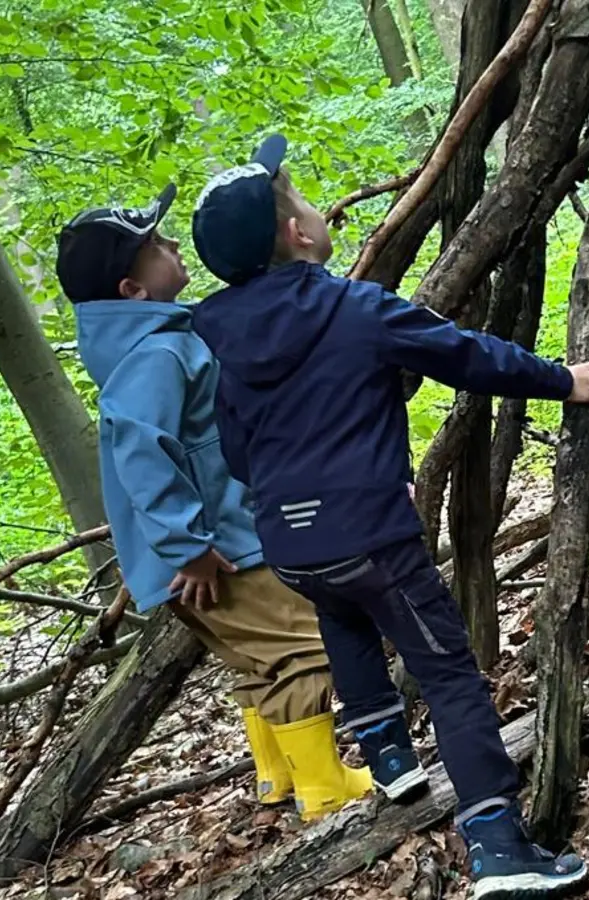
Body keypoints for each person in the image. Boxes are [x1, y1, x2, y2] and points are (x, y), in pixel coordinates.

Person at [190, 135, 589, 899]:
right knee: (447, 673)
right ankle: (498, 845)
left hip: (289, 539)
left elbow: (239, 455)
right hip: (370, 534)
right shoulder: (358, 310)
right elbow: (465, 354)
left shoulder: (227, 344)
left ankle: (389, 755)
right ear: (296, 233)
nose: (313, 209)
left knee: (342, 616)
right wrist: (562, 380)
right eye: (302, 201)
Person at [55, 184, 371, 822]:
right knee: (299, 648)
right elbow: (142, 455)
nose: (172, 245)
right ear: (132, 290)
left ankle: (277, 776)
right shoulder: (154, 353)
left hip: (203, 546)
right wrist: (190, 547)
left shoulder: (157, 339)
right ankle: (323, 788)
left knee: (255, 661)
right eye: (154, 246)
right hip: (219, 546)